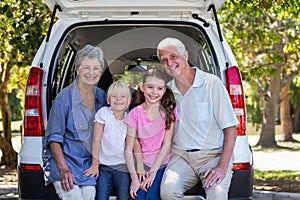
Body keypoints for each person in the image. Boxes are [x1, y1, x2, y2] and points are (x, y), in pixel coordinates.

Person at [157, 37, 238, 200]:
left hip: (212, 156)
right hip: (180, 157)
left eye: (173, 56)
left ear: (185, 56)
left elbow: (230, 129)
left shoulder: (212, 84)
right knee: (168, 192)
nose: (169, 62)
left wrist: (222, 167)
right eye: (164, 60)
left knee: (217, 194)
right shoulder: (167, 92)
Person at [43, 44, 107, 200]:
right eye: (86, 67)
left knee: (89, 195)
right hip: (66, 162)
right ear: (78, 69)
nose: (91, 73)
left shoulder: (102, 96)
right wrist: (63, 169)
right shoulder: (63, 99)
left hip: (88, 165)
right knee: (73, 197)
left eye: (96, 68)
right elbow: (54, 139)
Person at [125, 69, 178, 200]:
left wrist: (153, 171)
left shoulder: (169, 112)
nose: (154, 92)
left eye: (159, 88)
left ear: (164, 90)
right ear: (142, 87)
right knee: (138, 196)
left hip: (161, 164)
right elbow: (129, 148)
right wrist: (136, 176)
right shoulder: (135, 113)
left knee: (152, 196)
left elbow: (166, 144)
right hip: (142, 165)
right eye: (150, 87)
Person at [84, 81, 132, 200]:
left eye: (122, 96)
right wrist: (95, 164)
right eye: (114, 96)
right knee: (101, 197)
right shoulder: (104, 113)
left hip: (122, 167)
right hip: (103, 167)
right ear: (108, 99)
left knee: (124, 197)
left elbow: (131, 145)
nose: (118, 99)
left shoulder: (130, 118)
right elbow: (96, 139)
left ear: (129, 100)